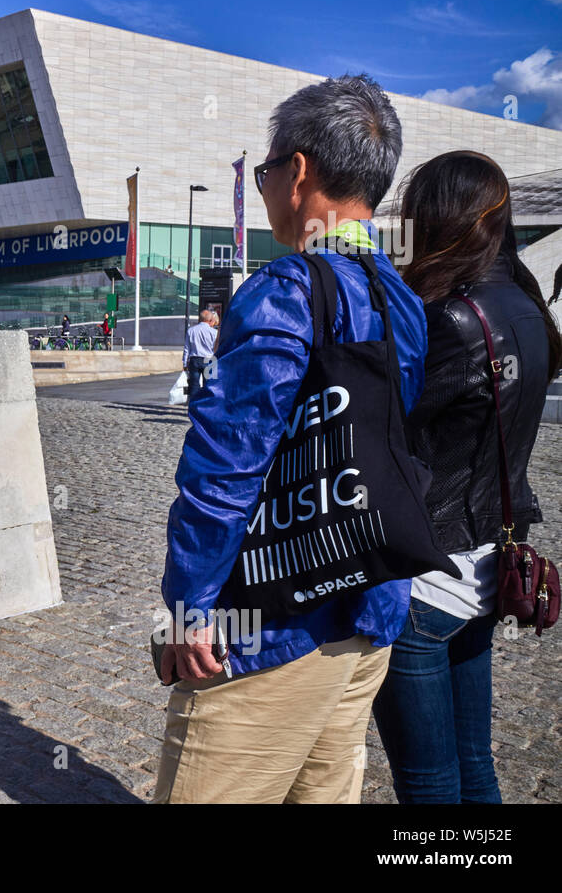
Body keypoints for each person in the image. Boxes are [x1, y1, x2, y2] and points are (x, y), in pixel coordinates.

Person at [154, 75, 428, 804]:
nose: (270, 184)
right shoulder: (401, 296)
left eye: (270, 170)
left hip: (273, 623)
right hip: (372, 606)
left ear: (300, 171)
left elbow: (225, 468)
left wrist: (187, 604)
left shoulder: (286, 289)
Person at [370, 151, 561, 804]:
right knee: (475, 763)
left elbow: (389, 436)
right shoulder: (529, 310)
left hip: (427, 577)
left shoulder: (448, 319)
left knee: (428, 780)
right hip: (487, 564)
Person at [181, 309, 219, 397]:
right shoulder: (214, 332)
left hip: (194, 359)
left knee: (194, 385)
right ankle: (207, 406)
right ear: (210, 320)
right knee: (209, 386)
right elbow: (216, 348)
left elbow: (187, 348)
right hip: (210, 359)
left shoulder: (191, 330)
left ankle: (194, 406)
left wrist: (184, 363)